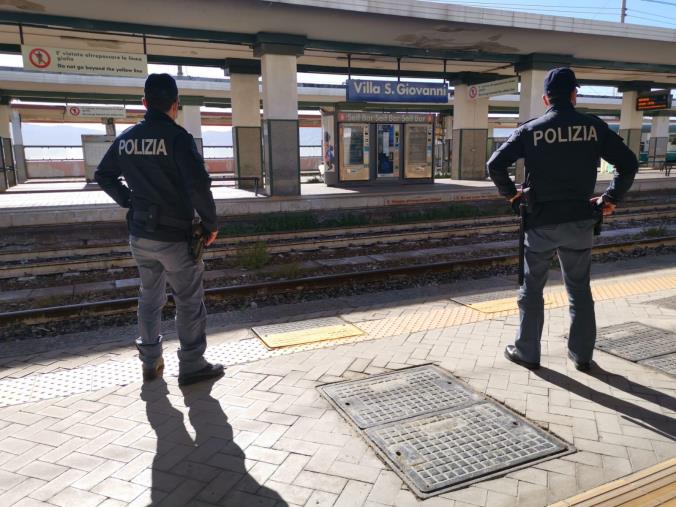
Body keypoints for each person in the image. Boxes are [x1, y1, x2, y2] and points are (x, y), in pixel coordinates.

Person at [487, 67, 638, 372]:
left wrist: (512, 196)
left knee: (532, 289)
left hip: (540, 221)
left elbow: (495, 164)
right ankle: (581, 355)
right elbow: (628, 163)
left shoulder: (531, 130)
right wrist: (610, 199)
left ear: (546, 98)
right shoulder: (593, 127)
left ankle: (527, 352)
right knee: (579, 290)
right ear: (574, 94)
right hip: (580, 221)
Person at [95, 73, 224, 386]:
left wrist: (130, 200)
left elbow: (104, 175)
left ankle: (151, 362)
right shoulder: (178, 139)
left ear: (144, 102)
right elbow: (197, 186)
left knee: (150, 297)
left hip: (141, 234)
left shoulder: (125, 139)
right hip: (175, 237)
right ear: (175, 105)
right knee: (189, 300)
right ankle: (192, 365)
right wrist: (210, 224)